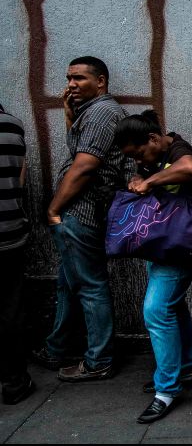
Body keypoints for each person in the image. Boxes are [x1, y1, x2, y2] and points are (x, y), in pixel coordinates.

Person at [32, 56, 133, 381]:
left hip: (81, 212)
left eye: (79, 78)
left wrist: (53, 209)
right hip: (78, 212)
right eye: (69, 78)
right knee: (68, 284)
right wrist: (69, 115)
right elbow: (80, 151)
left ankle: (99, 360)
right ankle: (56, 348)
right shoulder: (91, 113)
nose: (71, 85)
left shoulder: (102, 113)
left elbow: (85, 165)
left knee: (90, 286)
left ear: (100, 81)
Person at [114, 110, 192, 423]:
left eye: (139, 152)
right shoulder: (152, 156)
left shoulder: (178, 149)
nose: (138, 159)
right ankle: (184, 369)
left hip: (180, 245)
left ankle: (166, 389)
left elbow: (191, 168)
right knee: (173, 307)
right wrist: (139, 179)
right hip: (162, 242)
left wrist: (150, 180)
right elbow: (148, 179)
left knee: (156, 310)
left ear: (154, 139)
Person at [0, 103, 34, 405]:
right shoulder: (13, 126)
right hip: (9, 232)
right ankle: (14, 382)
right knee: (10, 309)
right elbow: (19, 180)